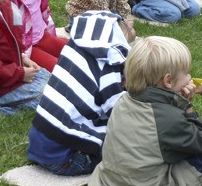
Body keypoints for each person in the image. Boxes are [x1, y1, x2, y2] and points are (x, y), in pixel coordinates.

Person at [89, 36, 202, 186]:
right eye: (186, 73)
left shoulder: (124, 101)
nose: (189, 78)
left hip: (113, 180)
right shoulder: (168, 120)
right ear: (168, 81)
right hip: (150, 182)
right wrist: (186, 105)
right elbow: (199, 141)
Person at [27, 11, 135, 176]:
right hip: (65, 158)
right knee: (126, 153)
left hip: (40, 144)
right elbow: (119, 112)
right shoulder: (109, 61)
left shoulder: (75, 49)